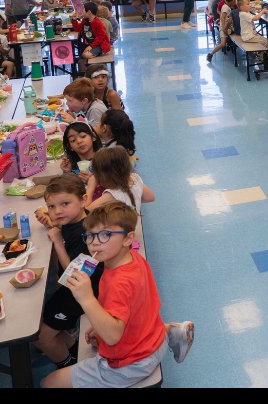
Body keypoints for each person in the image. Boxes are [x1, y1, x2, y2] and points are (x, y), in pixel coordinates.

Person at [41, 202, 180, 389]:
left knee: (48, 383)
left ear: (128, 238)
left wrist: (86, 298)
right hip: (153, 340)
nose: (94, 242)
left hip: (130, 364)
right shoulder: (133, 258)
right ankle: (171, 331)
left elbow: (113, 337)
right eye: (89, 235)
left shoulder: (118, 282)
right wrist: (101, 324)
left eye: (105, 234)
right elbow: (136, 305)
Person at [34, 174, 104, 368]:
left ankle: (69, 367)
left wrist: (57, 241)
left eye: (64, 204)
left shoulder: (88, 234)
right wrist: (54, 224)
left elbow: (74, 275)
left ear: (83, 200)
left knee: (40, 338)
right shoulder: (78, 220)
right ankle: (71, 347)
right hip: (72, 289)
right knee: (39, 320)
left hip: (84, 293)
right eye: (52, 206)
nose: (57, 211)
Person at [85, 146, 154, 213]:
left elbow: (85, 212)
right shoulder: (134, 178)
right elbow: (150, 197)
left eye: (94, 172)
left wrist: (90, 187)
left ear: (104, 175)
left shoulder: (111, 195)